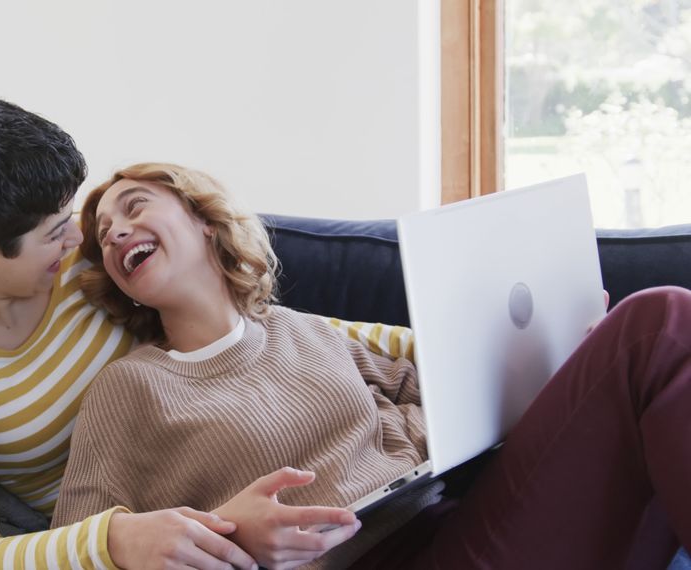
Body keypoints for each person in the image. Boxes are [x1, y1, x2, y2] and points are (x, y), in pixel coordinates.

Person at [53, 162, 691, 569]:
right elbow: (80, 546)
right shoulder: (131, 388)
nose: (112, 232)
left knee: (656, 327)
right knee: (656, 324)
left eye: (133, 206)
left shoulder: (304, 331)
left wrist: (568, 364)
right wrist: (232, 534)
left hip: (461, 524)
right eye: (103, 232)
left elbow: (450, 401)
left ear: (203, 221)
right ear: (125, 288)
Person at [0, 97, 359, 569]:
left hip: (234, 464)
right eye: (54, 232)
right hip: (145, 530)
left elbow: (257, 326)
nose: (78, 238)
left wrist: (419, 345)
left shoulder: (85, 263)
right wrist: (116, 540)